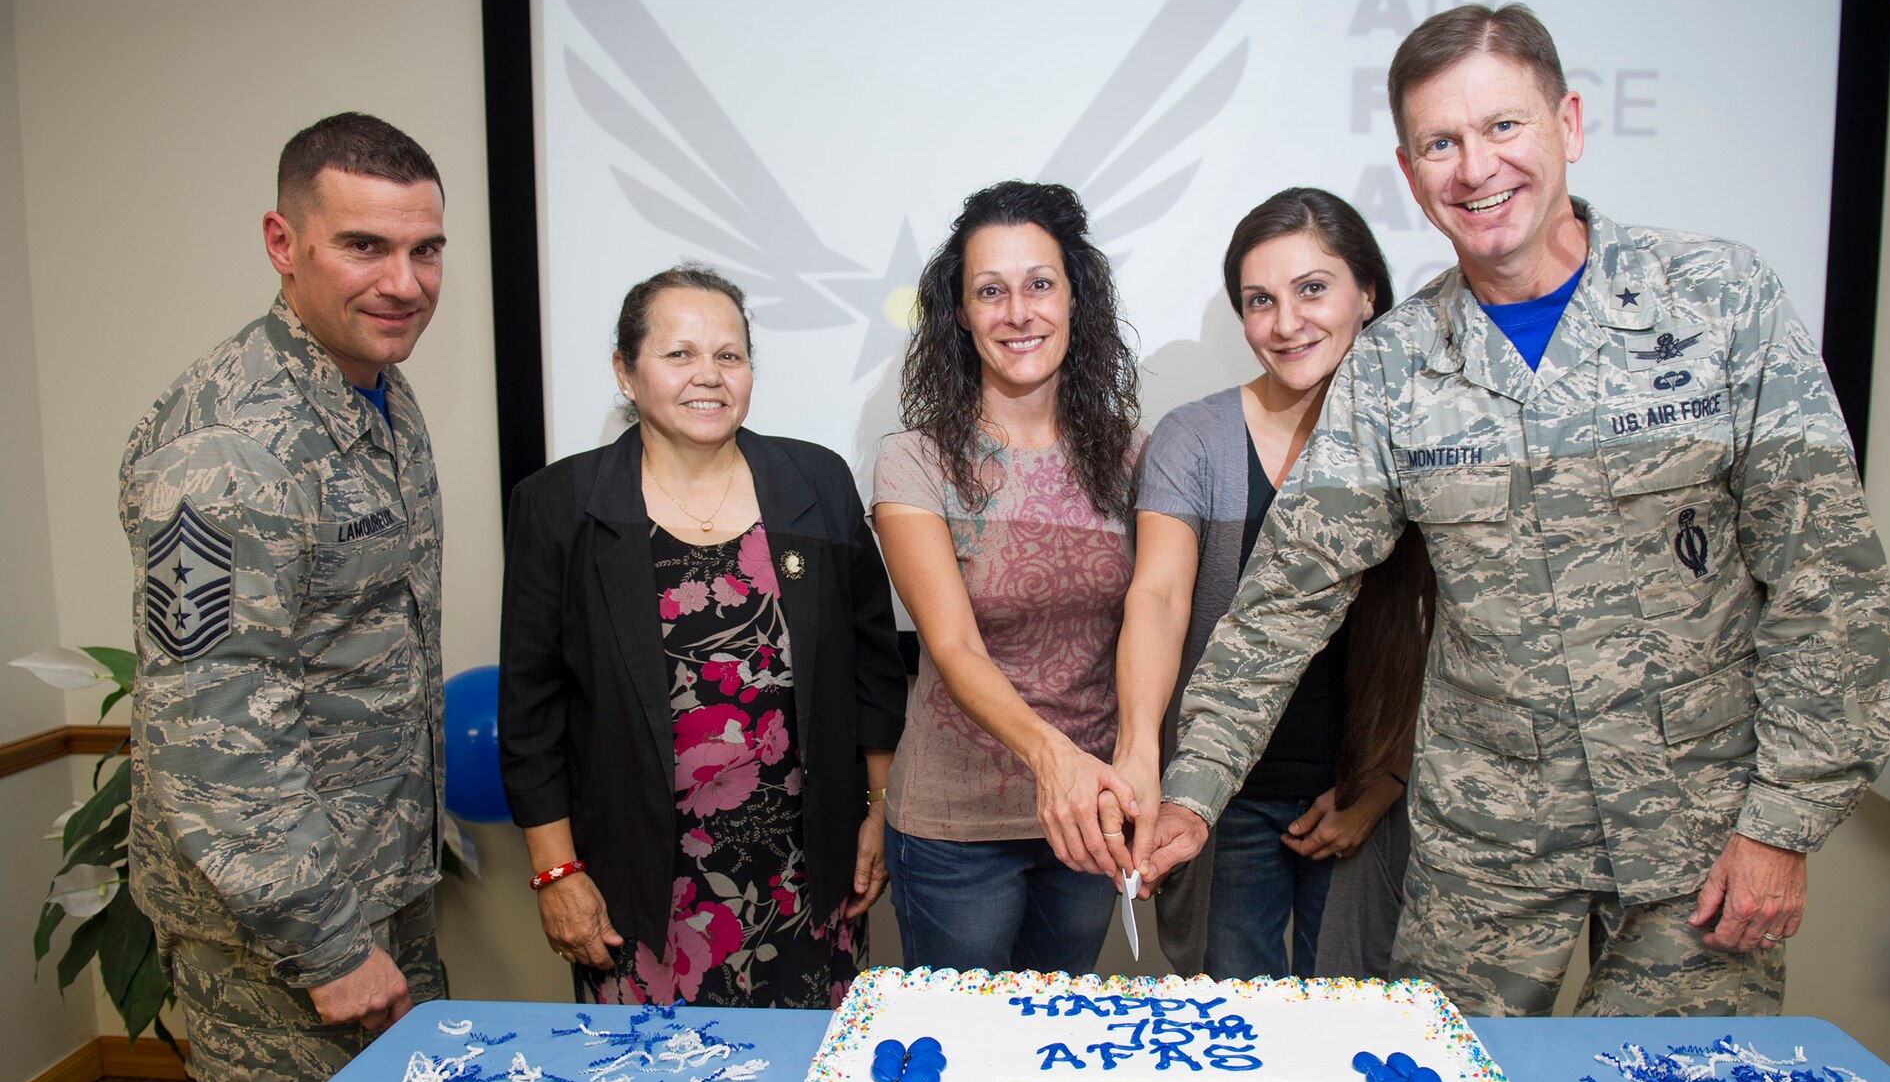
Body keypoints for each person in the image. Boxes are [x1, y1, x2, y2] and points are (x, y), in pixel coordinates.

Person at [1146, 3, 1890, 1017]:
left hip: (1700, 842)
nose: (1473, 168)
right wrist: (1194, 786)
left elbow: (1827, 578)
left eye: (1502, 127)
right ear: (1409, 172)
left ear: (1568, 125)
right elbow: (1286, 595)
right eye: (1439, 143)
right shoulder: (1393, 365)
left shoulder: (1719, 302)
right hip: (1486, 854)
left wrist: (1780, 822)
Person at [119, 113, 448, 1082]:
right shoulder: (228, 450)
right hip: (280, 939)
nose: (403, 281)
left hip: (375, 887)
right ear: (283, 242)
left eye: (424, 248)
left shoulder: (379, 396)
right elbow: (211, 733)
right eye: (364, 246)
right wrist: (327, 942)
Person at [499, 266, 904, 1009]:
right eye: (679, 354)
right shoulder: (560, 506)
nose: (708, 377)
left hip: (806, 878)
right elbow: (530, 712)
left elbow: (873, 663)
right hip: (640, 892)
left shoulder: (814, 482)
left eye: (730, 355)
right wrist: (555, 873)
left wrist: (878, 810)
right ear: (625, 371)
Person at [1115, 189, 1433, 981]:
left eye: (1313, 289)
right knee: (1239, 1034)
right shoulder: (1194, 436)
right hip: (1227, 798)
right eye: (1260, 301)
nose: (1286, 322)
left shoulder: (1427, 431)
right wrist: (1146, 759)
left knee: (1356, 1035)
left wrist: (1382, 783)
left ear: (1368, 293)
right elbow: (1158, 597)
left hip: (1367, 790)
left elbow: (1451, 627)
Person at [872, 180, 1144, 974]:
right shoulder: (914, 461)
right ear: (960, 313)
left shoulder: (1137, 456)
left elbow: (1156, 618)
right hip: (958, 826)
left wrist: (1115, 772)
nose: (1018, 312)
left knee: (1054, 1044)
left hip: (1089, 816)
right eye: (990, 291)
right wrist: (1051, 757)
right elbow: (953, 646)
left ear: (1074, 299)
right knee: (963, 1057)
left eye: (1039, 285)